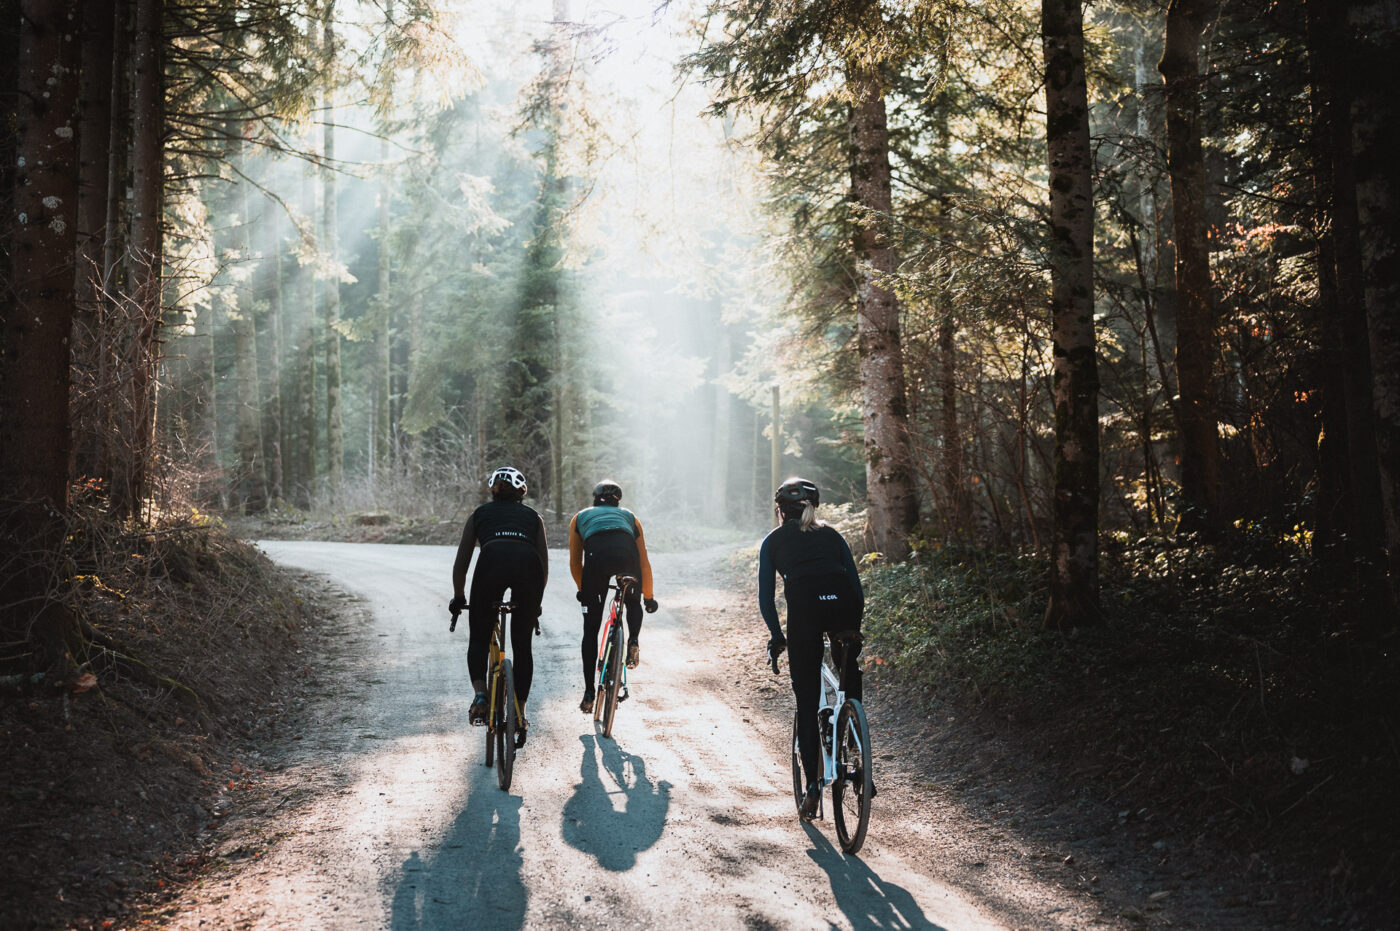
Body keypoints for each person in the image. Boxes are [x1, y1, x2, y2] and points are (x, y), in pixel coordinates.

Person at [758, 477, 865, 821]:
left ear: (780, 511)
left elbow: (766, 597)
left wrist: (777, 636)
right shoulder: (833, 535)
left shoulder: (773, 541)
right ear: (813, 508)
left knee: (807, 701)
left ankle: (813, 787)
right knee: (849, 674)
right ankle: (854, 733)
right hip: (843, 608)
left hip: (805, 614)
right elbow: (855, 587)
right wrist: (853, 629)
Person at [449, 466, 548, 744]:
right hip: (528, 568)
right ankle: (520, 713)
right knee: (522, 645)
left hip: (490, 563)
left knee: (480, 636)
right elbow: (544, 565)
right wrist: (535, 602)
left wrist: (459, 596)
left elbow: (462, 563)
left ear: (492, 490)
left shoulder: (479, 514)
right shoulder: (533, 517)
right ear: (522, 493)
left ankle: (481, 695)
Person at [569, 479, 658, 712]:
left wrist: (583, 589)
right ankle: (633, 641)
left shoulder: (580, 517)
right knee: (632, 601)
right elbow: (644, 561)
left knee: (590, 630)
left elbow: (575, 562)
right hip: (627, 556)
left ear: (594, 498)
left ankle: (589, 692)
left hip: (596, 561)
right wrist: (648, 597)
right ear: (618, 502)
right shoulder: (630, 517)